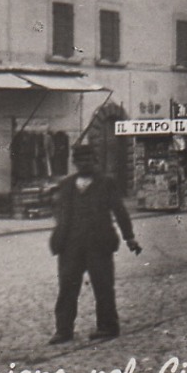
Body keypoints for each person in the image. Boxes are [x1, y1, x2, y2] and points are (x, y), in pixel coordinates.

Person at [49, 144, 140, 344]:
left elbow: (119, 211)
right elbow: (60, 213)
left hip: (99, 243)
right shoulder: (66, 184)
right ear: (74, 163)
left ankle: (107, 326)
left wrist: (129, 237)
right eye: (80, 161)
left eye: (88, 160)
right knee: (67, 287)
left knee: (103, 286)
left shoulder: (106, 183)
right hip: (71, 245)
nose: (84, 164)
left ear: (95, 161)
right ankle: (63, 330)